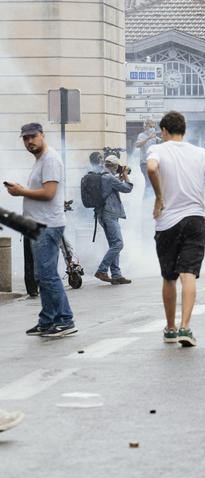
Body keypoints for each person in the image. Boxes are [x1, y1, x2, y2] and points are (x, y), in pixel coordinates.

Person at [146, 111, 205, 347]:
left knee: (169, 277)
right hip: (194, 220)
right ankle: (185, 327)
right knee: (188, 274)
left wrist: (159, 197)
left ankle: (170, 328)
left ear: (164, 132)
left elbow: (151, 169)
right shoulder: (201, 153)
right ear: (184, 130)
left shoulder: (157, 149)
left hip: (167, 222)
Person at [5, 123, 77, 338]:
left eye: (33, 137)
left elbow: (49, 193)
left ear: (42, 135)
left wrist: (21, 192)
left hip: (48, 225)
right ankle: (47, 320)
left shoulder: (50, 159)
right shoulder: (41, 160)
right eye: (25, 138)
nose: (29, 142)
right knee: (42, 275)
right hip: (38, 225)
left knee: (48, 276)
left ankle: (65, 320)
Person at [94, 154, 134, 285]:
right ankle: (102, 269)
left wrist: (121, 176)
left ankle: (116, 275)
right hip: (109, 214)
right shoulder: (109, 178)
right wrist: (126, 175)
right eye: (117, 167)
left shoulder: (102, 175)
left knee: (113, 244)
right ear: (115, 166)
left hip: (104, 214)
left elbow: (114, 186)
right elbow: (127, 188)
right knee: (118, 244)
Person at [134, 117, 161, 199]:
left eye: (153, 127)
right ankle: (146, 202)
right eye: (151, 126)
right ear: (145, 126)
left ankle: (152, 201)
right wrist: (148, 138)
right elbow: (137, 145)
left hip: (154, 163)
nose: (152, 128)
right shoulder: (141, 135)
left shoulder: (155, 137)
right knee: (149, 183)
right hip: (145, 163)